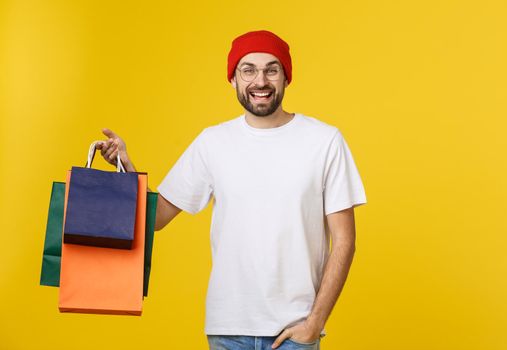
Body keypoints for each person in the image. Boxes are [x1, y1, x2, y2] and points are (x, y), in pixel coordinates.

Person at [96, 30, 367, 350]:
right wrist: (127, 166)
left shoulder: (324, 141)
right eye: (248, 70)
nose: (260, 81)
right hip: (228, 330)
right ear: (233, 80)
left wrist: (315, 323)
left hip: (296, 329)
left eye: (271, 69)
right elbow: (156, 218)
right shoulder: (213, 143)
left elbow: (345, 240)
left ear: (286, 77)